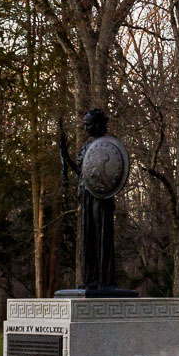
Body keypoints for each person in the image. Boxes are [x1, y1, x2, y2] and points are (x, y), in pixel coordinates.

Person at [60, 108, 117, 291]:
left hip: (101, 197)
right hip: (86, 195)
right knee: (88, 236)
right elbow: (82, 173)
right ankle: (90, 277)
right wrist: (67, 158)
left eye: (89, 124)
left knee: (102, 235)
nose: (86, 129)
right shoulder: (87, 147)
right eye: (85, 125)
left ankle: (104, 279)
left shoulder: (108, 145)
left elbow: (112, 173)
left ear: (98, 124)